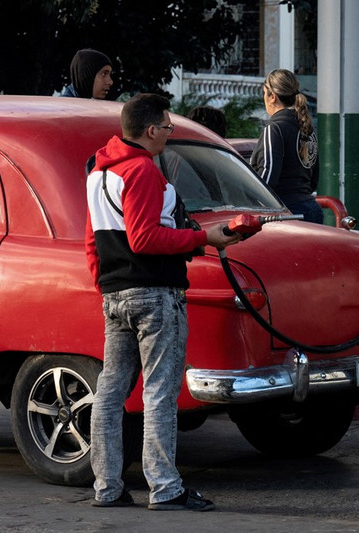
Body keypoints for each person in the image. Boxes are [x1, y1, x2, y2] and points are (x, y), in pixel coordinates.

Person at [85, 93, 240, 509]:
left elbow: (92, 243)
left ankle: (107, 486)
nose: (170, 135)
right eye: (168, 128)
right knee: (159, 392)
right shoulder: (142, 172)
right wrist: (203, 237)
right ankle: (166, 487)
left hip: (116, 294)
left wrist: (104, 284)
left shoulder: (98, 173)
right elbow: (145, 238)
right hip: (154, 293)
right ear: (151, 130)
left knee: (111, 391)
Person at [250, 68, 323, 224]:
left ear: (272, 97)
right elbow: (314, 176)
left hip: (287, 213)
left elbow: (267, 176)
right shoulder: (307, 127)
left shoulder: (274, 128)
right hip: (311, 208)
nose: (263, 98)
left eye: (264, 93)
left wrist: (251, 203)